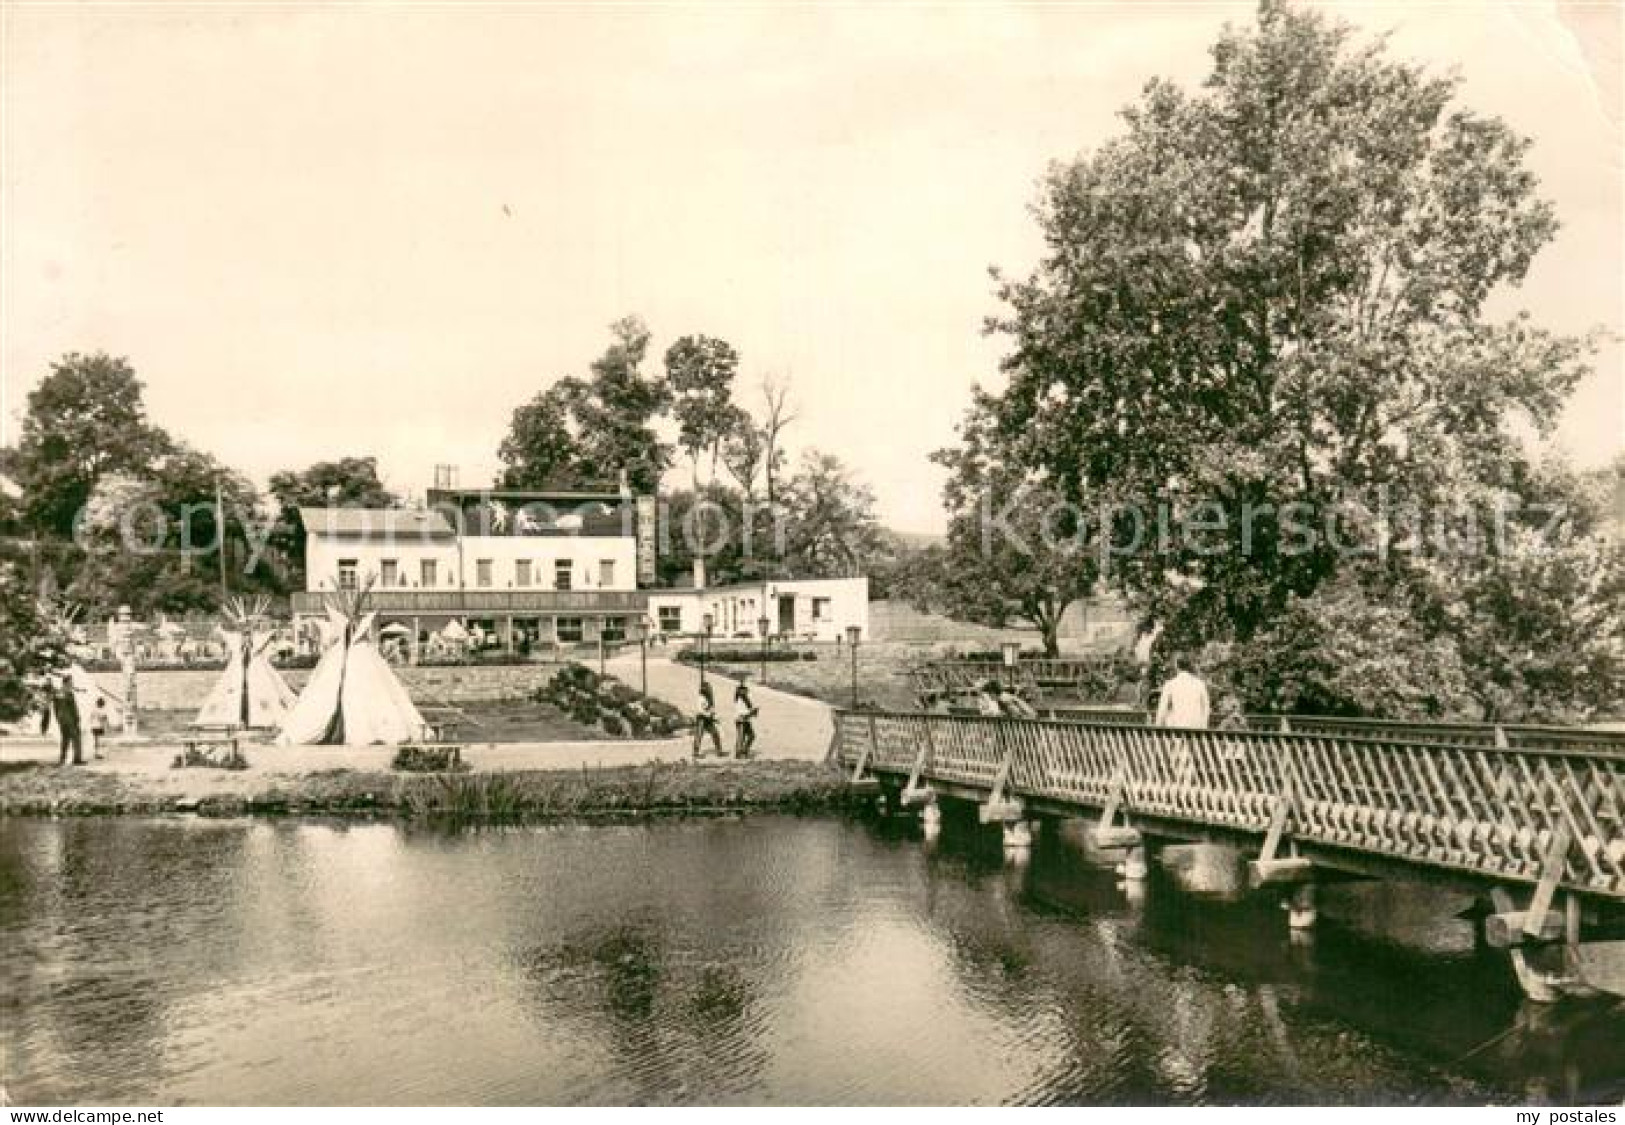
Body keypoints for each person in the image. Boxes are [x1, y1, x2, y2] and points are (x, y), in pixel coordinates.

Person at [1155, 654, 1211, 729]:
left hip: (1177, 730)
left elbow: (1162, 710)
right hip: (1197, 730)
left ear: (1176, 666)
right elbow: (1206, 707)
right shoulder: (1200, 684)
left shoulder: (1170, 684)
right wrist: (1204, 726)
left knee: (1169, 714)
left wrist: (1157, 728)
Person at [41, 673, 85, 767]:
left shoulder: (58, 692)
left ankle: (62, 759)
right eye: (71, 681)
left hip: (61, 719)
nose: (72, 683)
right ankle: (77, 759)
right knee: (76, 738)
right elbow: (73, 708)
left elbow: (52, 703)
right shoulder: (68, 692)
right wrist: (77, 717)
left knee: (65, 739)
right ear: (67, 682)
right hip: (70, 719)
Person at [692, 680, 723, 759]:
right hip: (702, 719)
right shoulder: (701, 698)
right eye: (708, 688)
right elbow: (701, 710)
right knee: (699, 735)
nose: (710, 689)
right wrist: (711, 716)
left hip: (707, 718)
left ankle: (719, 751)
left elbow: (710, 709)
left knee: (715, 733)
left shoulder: (708, 698)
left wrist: (713, 716)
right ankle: (695, 753)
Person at [733, 680, 759, 759]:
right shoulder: (740, 701)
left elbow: (749, 710)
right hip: (741, 721)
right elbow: (743, 714)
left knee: (751, 736)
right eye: (745, 691)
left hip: (745, 720)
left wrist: (753, 711)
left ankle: (743, 751)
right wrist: (752, 712)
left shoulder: (746, 701)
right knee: (741, 737)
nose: (747, 692)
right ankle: (739, 753)